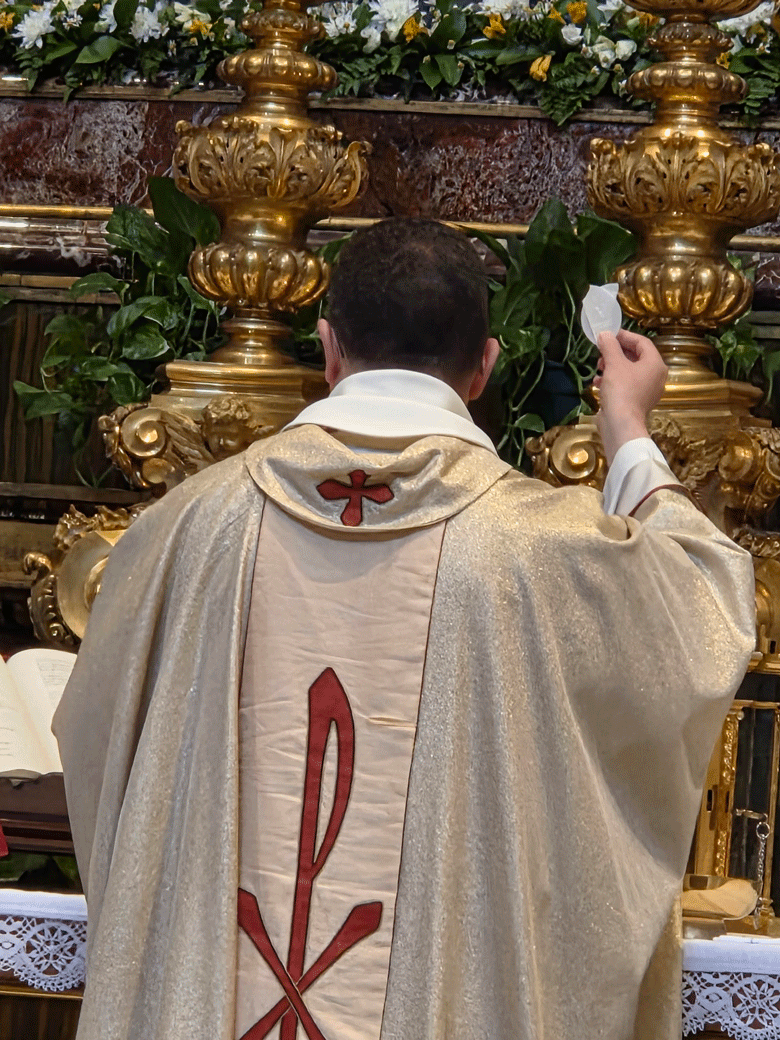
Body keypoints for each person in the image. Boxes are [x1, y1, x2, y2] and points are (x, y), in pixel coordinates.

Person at [54, 218, 755, 1040]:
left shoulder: (189, 529)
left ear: (328, 349)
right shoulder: (533, 549)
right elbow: (705, 607)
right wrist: (628, 427)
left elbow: (100, 744)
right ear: (484, 367)